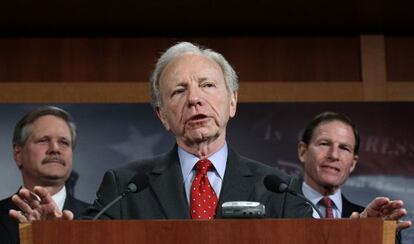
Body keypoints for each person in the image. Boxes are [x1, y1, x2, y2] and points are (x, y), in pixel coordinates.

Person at [9, 43, 411, 231]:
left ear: (233, 101)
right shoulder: (125, 186)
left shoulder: (278, 188)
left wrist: (359, 235)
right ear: (162, 115)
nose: (195, 100)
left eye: (207, 86)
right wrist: (54, 236)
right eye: (179, 92)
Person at [298, 111, 411, 241]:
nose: (334, 155)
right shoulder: (274, 210)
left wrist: (373, 238)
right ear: (303, 152)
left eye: (344, 148)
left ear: (353, 163)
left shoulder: (373, 224)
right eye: (324, 143)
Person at [0, 106, 89, 244]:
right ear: (18, 154)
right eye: (43, 140)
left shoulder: (98, 218)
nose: (55, 149)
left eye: (64, 142)